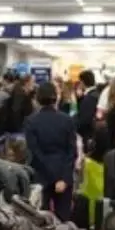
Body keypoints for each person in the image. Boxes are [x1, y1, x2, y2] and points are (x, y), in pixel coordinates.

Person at [24, 81, 78, 221]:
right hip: (64, 175)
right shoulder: (67, 121)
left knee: (41, 220)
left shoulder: (31, 122)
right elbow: (72, 152)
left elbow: (35, 152)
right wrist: (63, 178)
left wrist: (53, 178)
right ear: (56, 97)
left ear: (37, 98)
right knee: (64, 220)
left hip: (41, 176)